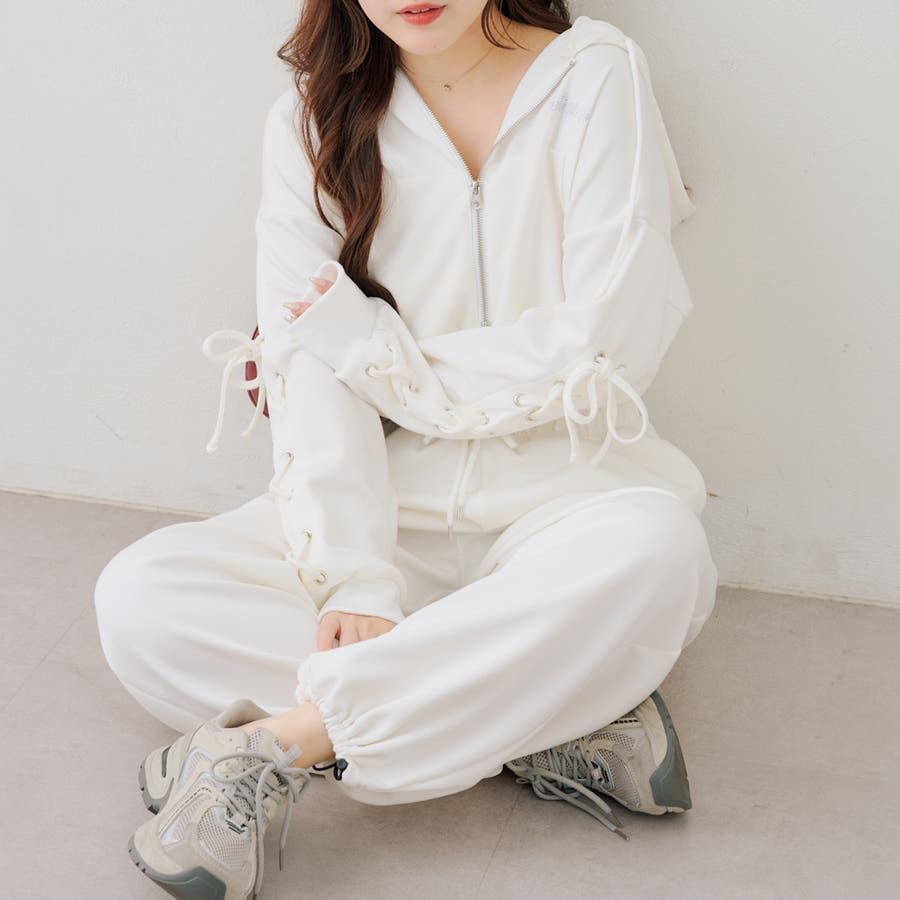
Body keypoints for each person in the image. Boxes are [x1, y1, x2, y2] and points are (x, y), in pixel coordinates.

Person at [94, 4, 719, 898]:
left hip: (566, 506)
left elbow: (604, 344)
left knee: (660, 552)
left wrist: (370, 350)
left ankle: (274, 744)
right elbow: (307, 371)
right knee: (140, 598)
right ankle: (547, 709)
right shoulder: (311, 118)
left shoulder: (596, 75)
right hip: (385, 507)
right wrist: (358, 579)